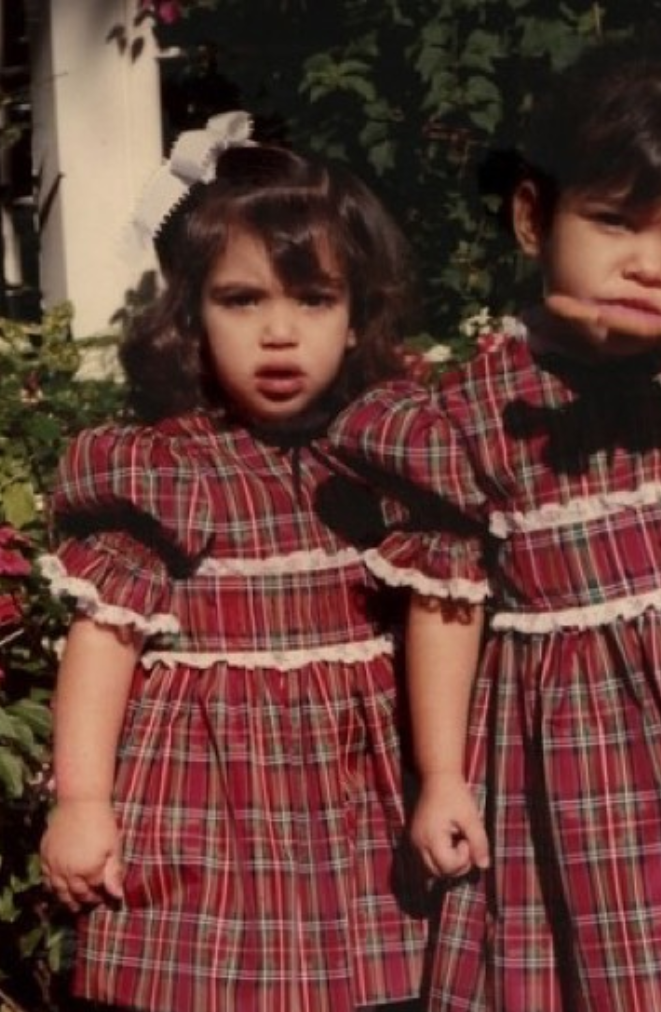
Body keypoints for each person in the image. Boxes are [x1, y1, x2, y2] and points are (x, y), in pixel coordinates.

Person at [328, 41, 661, 1012]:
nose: (648, 265)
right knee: (622, 974)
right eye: (613, 223)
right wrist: (441, 775)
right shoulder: (476, 409)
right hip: (582, 757)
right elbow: (445, 604)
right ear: (535, 216)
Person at [39, 114, 427, 1012]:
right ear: (190, 315)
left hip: (356, 802)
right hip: (206, 807)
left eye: (313, 299)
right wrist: (83, 802)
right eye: (243, 300)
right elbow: (106, 643)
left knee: (378, 982)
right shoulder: (170, 470)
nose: (280, 333)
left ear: (357, 311)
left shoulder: (388, 457)